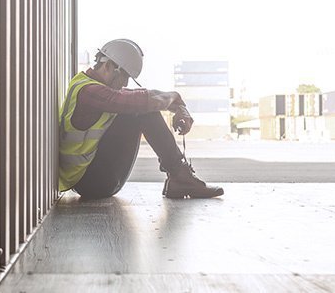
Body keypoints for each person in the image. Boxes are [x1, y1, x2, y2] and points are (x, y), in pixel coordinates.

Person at [58, 39, 224, 199]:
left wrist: (178, 104)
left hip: (90, 177)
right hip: (91, 183)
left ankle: (179, 178)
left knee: (140, 106)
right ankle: (180, 178)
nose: (125, 83)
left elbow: (140, 96)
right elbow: (138, 101)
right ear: (108, 66)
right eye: (124, 76)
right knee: (141, 110)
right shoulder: (89, 91)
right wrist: (174, 97)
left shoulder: (88, 84)